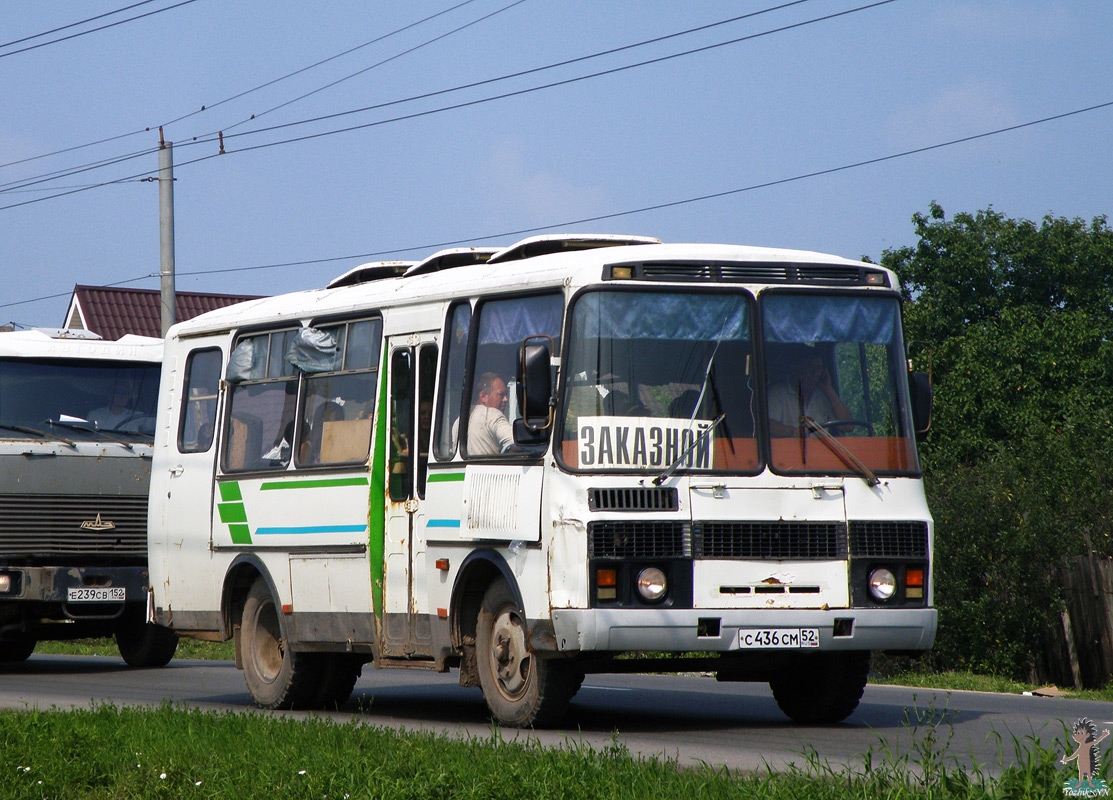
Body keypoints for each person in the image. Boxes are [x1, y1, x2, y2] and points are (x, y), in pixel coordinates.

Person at [767, 347, 852, 437]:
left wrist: (829, 390)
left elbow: (848, 427)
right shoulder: (778, 393)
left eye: (818, 369)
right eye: (810, 369)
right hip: (792, 450)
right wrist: (793, 432)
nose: (815, 374)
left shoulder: (824, 395)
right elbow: (769, 425)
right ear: (794, 369)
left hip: (823, 450)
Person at [467, 372, 514, 455]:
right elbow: (516, 443)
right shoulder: (493, 415)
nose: (506, 399)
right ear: (483, 396)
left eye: (506, 395)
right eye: (501, 395)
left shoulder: (458, 422)